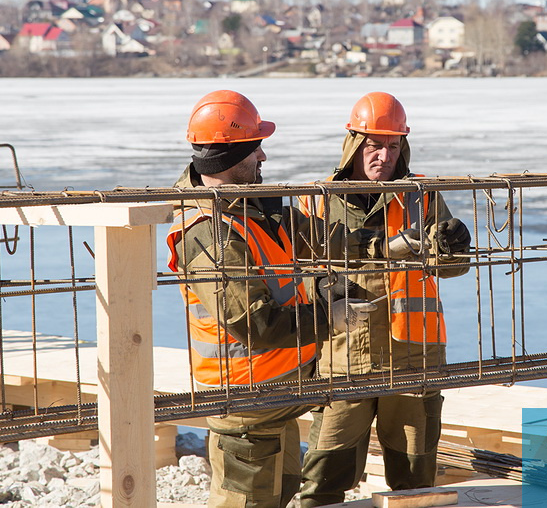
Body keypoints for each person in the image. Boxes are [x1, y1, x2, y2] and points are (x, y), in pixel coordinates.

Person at [165, 90, 377, 508]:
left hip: (277, 396)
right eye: (254, 149)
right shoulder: (208, 231)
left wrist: (393, 244)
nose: (263, 158)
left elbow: (327, 241)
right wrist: (327, 316)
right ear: (227, 157)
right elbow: (254, 323)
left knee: (279, 496)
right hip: (245, 402)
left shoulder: (256, 207)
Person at [298, 91, 472, 507]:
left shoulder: (421, 195)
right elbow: (294, 272)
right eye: (374, 146)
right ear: (353, 146)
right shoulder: (316, 200)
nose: (384, 156)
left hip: (412, 359)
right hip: (342, 360)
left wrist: (454, 248)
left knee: (415, 487)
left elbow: (451, 266)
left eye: (393, 146)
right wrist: (316, 288)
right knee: (322, 482)